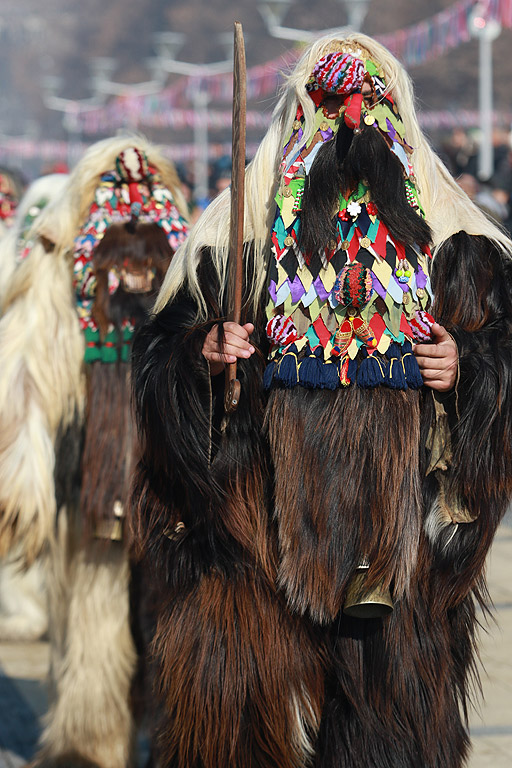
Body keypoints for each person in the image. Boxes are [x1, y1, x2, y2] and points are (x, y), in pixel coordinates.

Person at [131, 33, 512, 768]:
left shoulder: (458, 241)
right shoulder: (229, 241)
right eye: (332, 104)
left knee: (390, 732)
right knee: (237, 720)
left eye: (373, 106)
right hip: (259, 536)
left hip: (403, 546)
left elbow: (504, 354)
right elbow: (159, 362)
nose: (353, 122)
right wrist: (201, 353)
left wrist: (468, 364)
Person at [0, 137, 188, 768]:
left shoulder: (189, 265)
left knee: (176, 620)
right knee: (92, 616)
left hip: (172, 475)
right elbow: (24, 373)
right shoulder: (56, 266)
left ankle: (179, 740)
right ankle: (89, 742)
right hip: (92, 471)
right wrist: (22, 476)